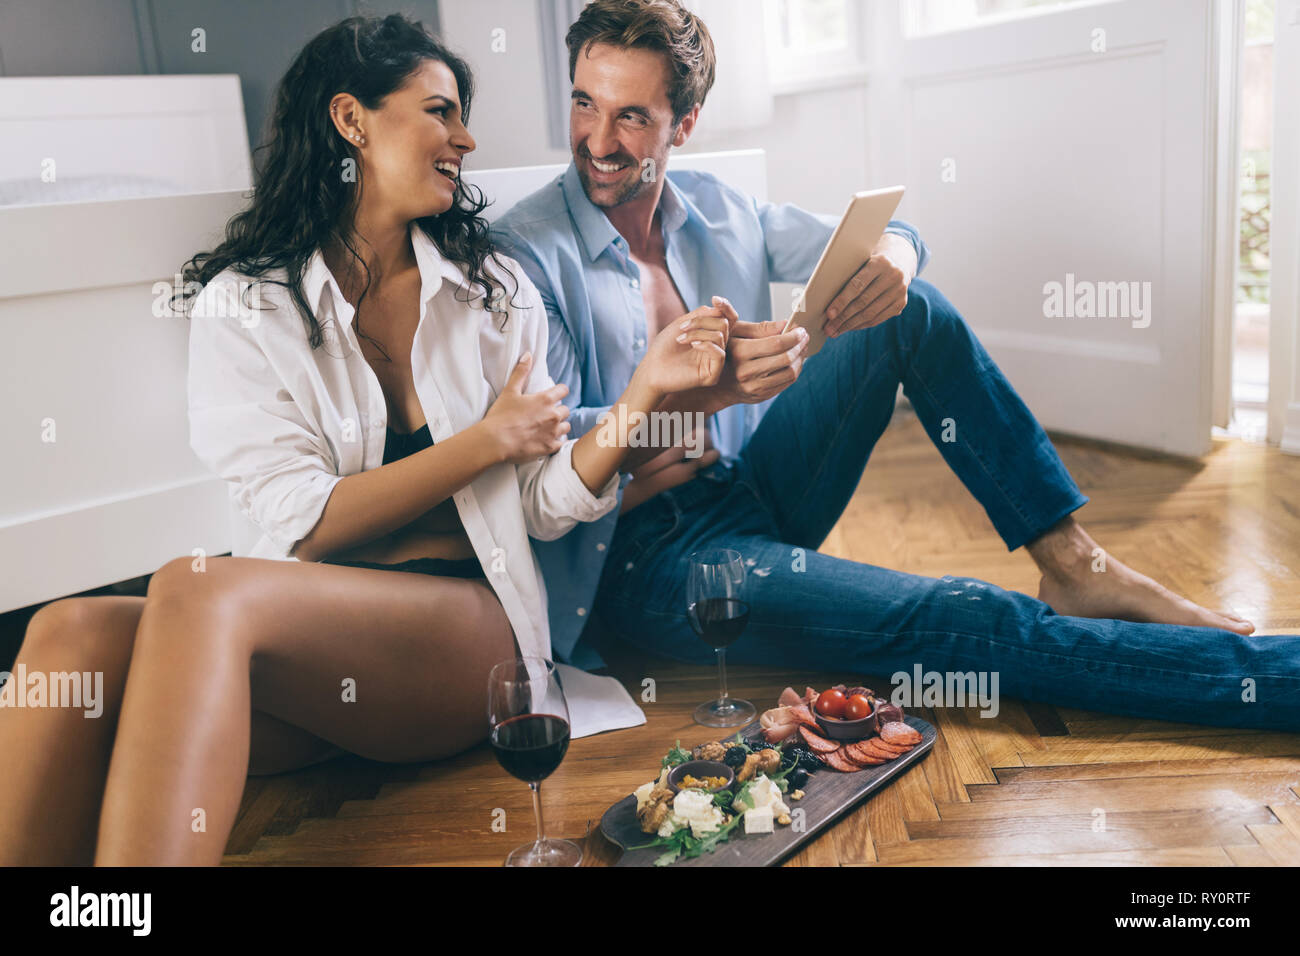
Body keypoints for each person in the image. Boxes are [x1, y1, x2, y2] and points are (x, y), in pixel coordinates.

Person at [0, 13, 728, 867]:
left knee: (196, 590)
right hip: (308, 668)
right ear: (352, 121)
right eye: (440, 111)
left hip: (465, 643)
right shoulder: (247, 304)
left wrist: (642, 395)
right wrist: (484, 443)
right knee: (63, 636)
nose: (466, 136)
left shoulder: (492, 291)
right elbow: (305, 522)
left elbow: (537, 506)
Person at [490, 0, 1300, 731]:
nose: (598, 142)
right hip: (649, 561)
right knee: (962, 617)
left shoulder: (718, 207)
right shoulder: (527, 250)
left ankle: (1074, 562)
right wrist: (702, 395)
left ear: (685, 121)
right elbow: (558, 466)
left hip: (748, 490)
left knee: (911, 309)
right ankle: (1274, 680)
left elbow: (890, 232)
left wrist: (896, 262)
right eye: (584, 104)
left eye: (632, 117)